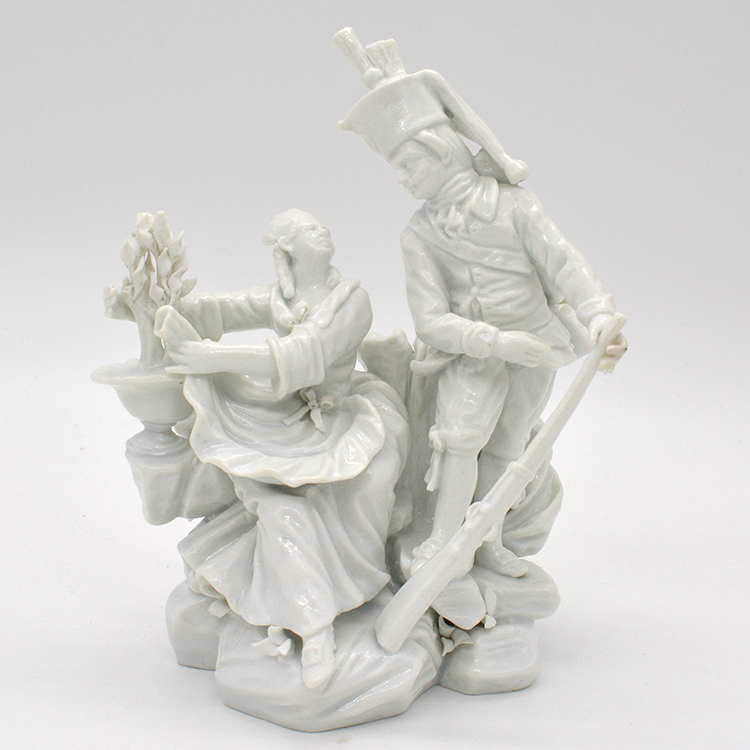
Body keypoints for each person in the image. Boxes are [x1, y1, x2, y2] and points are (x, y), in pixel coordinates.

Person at [339, 40, 627, 577]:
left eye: (407, 164)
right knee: (459, 442)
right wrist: (494, 342)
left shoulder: (516, 206)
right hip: (472, 354)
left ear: (439, 149)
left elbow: (564, 263)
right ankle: (442, 540)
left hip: (537, 345)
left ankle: (486, 541)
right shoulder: (419, 235)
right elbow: (431, 321)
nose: (402, 179)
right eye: (396, 168)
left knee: (508, 447)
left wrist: (598, 316)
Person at [154, 209, 409, 688]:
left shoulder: (350, 300)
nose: (322, 231)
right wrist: (159, 307)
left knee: (351, 491)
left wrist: (213, 357)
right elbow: (222, 311)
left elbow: (303, 354)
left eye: (321, 225)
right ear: (289, 248)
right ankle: (310, 624)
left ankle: (340, 600)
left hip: (342, 414)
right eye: (309, 229)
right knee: (277, 506)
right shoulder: (280, 298)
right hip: (290, 413)